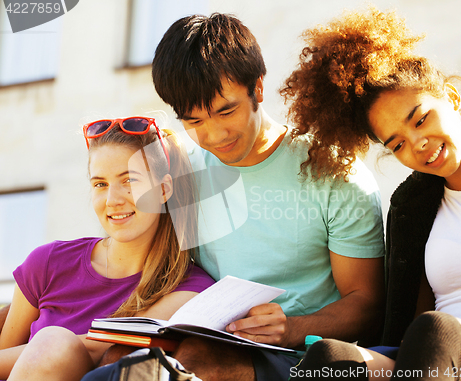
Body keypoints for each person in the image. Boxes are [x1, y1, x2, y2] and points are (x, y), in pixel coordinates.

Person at [150, 12, 385, 381]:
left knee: (198, 363)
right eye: (193, 121)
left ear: (257, 88)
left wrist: (291, 327)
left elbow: (367, 302)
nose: (213, 136)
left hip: (306, 357)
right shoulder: (180, 170)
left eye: (226, 111)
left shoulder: (335, 172)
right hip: (207, 341)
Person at [280, 7, 461, 379]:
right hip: (431, 359)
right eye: (397, 144)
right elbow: (411, 321)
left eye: (420, 119)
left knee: (438, 330)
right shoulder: (410, 206)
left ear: (449, 96)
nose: (418, 144)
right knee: (327, 360)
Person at [0, 117, 215, 381]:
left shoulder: (191, 291)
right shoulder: (46, 263)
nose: (112, 200)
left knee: (53, 342)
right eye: (100, 184)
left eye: (129, 180)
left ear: (163, 189)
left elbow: (97, 347)